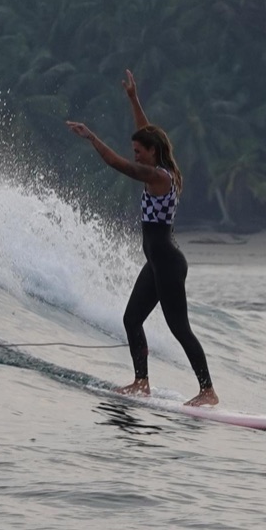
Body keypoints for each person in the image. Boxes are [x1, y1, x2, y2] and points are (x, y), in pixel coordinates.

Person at [66, 70, 218, 407]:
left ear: (151, 152)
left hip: (166, 259)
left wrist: (92, 137)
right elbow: (148, 133)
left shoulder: (156, 175)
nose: (135, 153)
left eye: (139, 150)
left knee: (179, 327)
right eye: (134, 149)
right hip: (158, 259)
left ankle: (208, 391)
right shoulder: (161, 164)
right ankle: (141, 382)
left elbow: (118, 164)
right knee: (132, 318)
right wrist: (134, 99)